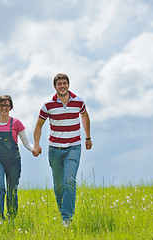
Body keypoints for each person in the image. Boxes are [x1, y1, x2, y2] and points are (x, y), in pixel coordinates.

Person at [32, 73, 92, 227]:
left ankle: (67, 218)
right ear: (55, 87)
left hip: (74, 147)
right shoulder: (48, 105)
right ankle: (63, 213)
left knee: (69, 181)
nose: (62, 86)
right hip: (55, 150)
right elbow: (39, 125)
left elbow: (85, 117)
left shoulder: (78, 102)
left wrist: (88, 137)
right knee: (59, 185)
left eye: (64, 83)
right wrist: (37, 144)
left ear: (68, 85)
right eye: (59, 84)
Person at [0, 95, 34, 224]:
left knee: (12, 189)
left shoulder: (16, 123)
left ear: (10, 108)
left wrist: (33, 149)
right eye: (1, 105)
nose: (4, 108)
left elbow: (26, 142)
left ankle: (11, 217)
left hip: (13, 160)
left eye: (7, 105)